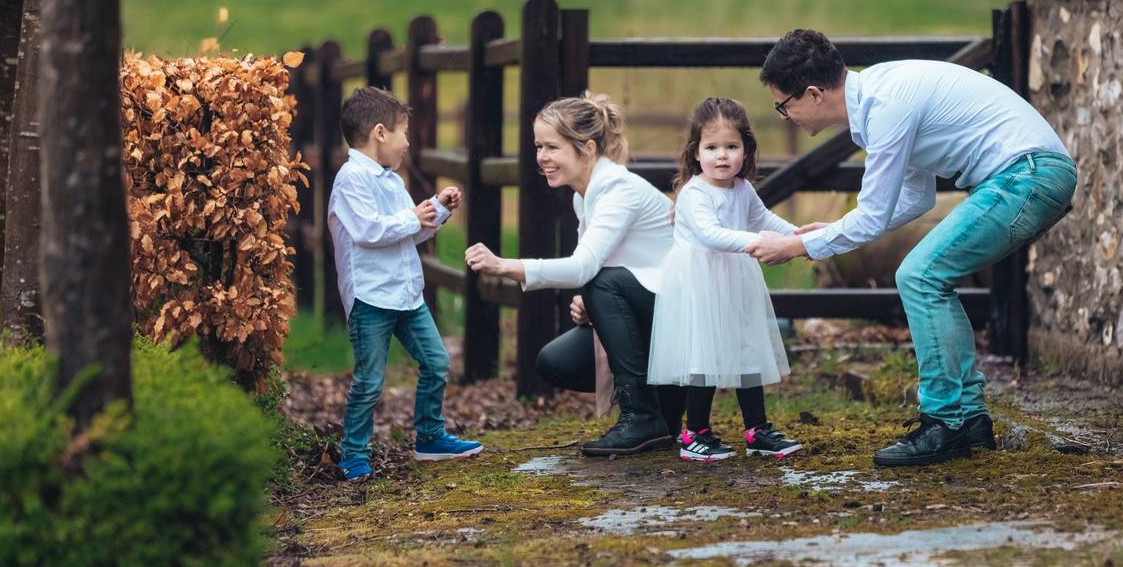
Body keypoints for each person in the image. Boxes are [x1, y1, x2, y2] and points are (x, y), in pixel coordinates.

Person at [748, 29, 1076, 467]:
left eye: (782, 106)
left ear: (812, 94)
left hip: (1028, 176)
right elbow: (914, 198)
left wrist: (800, 245)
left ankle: (945, 423)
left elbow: (872, 214)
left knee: (920, 276)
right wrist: (830, 230)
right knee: (926, 276)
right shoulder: (879, 101)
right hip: (1026, 175)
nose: (784, 116)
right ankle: (969, 419)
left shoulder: (886, 107)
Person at [464, 94, 686, 456]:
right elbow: (600, 266)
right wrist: (596, 304)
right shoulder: (584, 196)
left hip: (683, 313)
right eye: (538, 146)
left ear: (587, 147)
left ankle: (644, 414)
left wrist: (506, 265)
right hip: (654, 309)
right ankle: (663, 406)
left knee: (603, 283)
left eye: (552, 146)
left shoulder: (617, 188)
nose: (542, 157)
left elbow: (585, 267)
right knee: (556, 362)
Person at [328, 86, 482, 482]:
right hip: (371, 297)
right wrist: (416, 215)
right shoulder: (351, 180)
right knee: (369, 380)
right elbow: (369, 232)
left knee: (437, 362)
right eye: (403, 133)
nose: (408, 143)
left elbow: (406, 231)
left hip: (406, 294)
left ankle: (430, 436)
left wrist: (437, 210)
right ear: (380, 133)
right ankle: (354, 453)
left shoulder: (391, 181)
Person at [648, 97, 802, 462]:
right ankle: (694, 433)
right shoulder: (694, 193)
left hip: (736, 280)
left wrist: (800, 239)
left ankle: (757, 430)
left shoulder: (743, 189)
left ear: (746, 150)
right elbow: (709, 234)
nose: (722, 156)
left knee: (749, 351)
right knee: (705, 356)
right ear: (695, 151)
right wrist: (759, 243)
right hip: (700, 284)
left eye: (731, 147)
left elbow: (765, 221)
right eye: (712, 147)